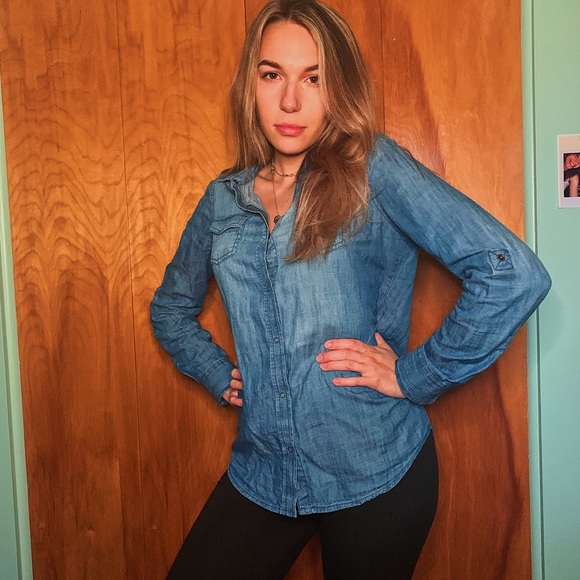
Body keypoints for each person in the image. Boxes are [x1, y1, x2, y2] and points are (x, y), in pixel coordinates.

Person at [150, 1, 551, 578]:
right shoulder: (222, 200)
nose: (291, 101)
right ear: (250, 85)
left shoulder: (374, 170)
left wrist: (414, 375)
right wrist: (217, 372)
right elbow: (171, 309)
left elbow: (510, 273)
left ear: (339, 88)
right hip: (265, 471)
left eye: (314, 78)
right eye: (273, 75)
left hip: (376, 471)